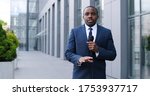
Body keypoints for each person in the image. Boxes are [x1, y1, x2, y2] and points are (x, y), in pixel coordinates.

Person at [65, 6, 116, 79]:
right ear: (83, 16)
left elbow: (112, 54)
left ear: (97, 16)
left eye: (93, 14)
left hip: (99, 77)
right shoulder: (75, 32)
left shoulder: (106, 32)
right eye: (87, 14)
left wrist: (98, 50)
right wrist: (79, 59)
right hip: (79, 77)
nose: (90, 16)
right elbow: (68, 53)